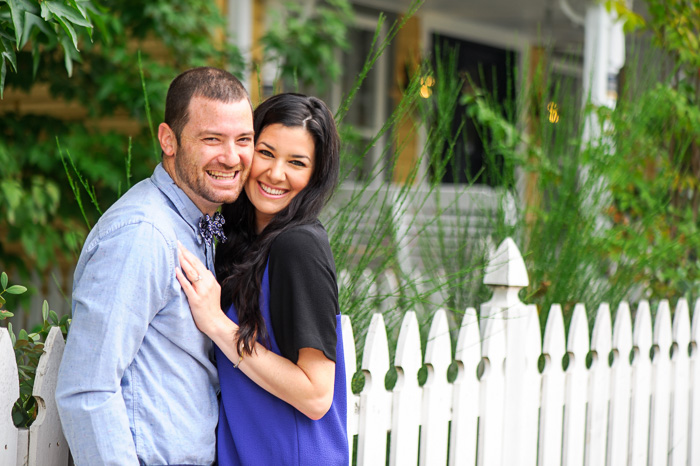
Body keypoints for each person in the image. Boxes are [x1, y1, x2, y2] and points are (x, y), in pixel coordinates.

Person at [55, 67, 254, 466]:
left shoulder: (195, 225)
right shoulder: (142, 234)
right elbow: (88, 388)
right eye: (212, 138)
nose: (232, 157)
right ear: (169, 140)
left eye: (244, 139)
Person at [176, 93, 348, 465]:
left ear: (315, 176)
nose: (275, 174)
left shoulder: (298, 247)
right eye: (266, 153)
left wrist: (219, 326)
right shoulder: (242, 240)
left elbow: (317, 395)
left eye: (297, 163)